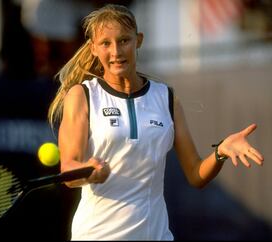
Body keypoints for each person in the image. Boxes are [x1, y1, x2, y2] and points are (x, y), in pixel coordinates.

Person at [47, 4, 264, 241]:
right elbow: (68, 169)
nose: (116, 51)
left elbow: (195, 175)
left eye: (124, 40)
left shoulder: (166, 99)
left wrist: (221, 151)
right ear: (93, 48)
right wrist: (89, 172)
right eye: (105, 44)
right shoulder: (82, 95)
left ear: (138, 40)